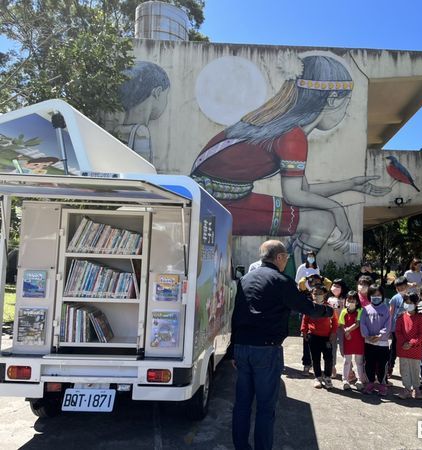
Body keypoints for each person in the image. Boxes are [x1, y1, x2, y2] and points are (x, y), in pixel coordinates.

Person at [191, 55, 391, 258]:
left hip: (222, 198)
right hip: (217, 205)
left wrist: (350, 184)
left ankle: (292, 265)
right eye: (346, 104)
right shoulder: (292, 136)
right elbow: (294, 195)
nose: (345, 112)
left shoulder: (283, 128)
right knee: (322, 221)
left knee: (319, 216)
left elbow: (304, 191)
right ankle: (299, 277)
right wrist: (336, 208)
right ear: (332, 99)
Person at [231, 240, 332, 450]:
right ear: (278, 257)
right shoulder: (281, 281)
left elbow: (236, 313)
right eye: (286, 257)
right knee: (266, 408)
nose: (286, 261)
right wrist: (328, 311)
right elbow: (306, 307)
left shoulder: (246, 279)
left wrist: (233, 349)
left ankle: (240, 446)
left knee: (242, 405)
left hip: (242, 348)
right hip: (266, 351)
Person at [115, 61, 170, 162]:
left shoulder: (116, 130)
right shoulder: (141, 133)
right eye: (166, 95)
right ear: (157, 93)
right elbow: (143, 170)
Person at [301, 284, 338, 389]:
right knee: (315, 358)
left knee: (328, 358)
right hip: (313, 337)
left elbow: (335, 321)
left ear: (325, 294)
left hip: (326, 338)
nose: (317, 296)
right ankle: (317, 377)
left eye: (320, 294)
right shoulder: (310, 307)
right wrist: (304, 332)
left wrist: (333, 332)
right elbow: (305, 320)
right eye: (315, 294)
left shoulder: (329, 308)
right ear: (311, 294)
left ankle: (327, 377)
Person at [360, 284, 392, 395]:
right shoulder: (365, 309)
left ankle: (382, 385)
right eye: (373, 295)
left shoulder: (386, 309)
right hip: (369, 343)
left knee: (382, 365)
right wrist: (367, 335)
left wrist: (380, 335)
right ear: (369, 296)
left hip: (382, 344)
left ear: (382, 296)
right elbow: (362, 323)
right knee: (369, 364)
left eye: (378, 295)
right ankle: (370, 383)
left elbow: (388, 325)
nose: (376, 297)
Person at [395, 293, 422, 400]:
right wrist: (404, 343)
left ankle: (417, 389)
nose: (408, 305)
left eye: (411, 303)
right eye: (406, 302)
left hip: (415, 350)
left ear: (416, 303)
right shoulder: (400, 317)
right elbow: (398, 332)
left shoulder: (420, 317)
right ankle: (407, 389)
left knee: (415, 370)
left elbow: (421, 334)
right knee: (404, 370)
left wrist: (411, 343)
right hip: (403, 349)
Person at [338, 291, 366, 390]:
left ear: (357, 301)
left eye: (353, 300)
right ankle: (345, 380)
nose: (350, 302)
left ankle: (359, 380)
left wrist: (347, 331)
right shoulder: (344, 311)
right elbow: (341, 324)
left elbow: (357, 323)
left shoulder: (360, 311)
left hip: (358, 340)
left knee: (359, 361)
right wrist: (346, 332)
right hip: (348, 340)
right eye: (349, 299)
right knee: (347, 361)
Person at [327, 278, 348, 378]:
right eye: (334, 285)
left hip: (342, 327)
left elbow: (346, 313)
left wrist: (342, 324)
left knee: (344, 348)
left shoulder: (345, 299)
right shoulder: (329, 299)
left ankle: (349, 369)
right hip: (331, 327)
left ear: (342, 288)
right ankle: (332, 368)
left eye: (338, 286)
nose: (335, 288)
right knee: (332, 347)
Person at [388, 276, 409, 376]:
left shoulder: (411, 297)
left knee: (407, 348)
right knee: (394, 349)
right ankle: (389, 366)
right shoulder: (394, 298)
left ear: (407, 286)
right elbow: (390, 313)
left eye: (403, 287)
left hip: (408, 329)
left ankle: (406, 370)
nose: (401, 290)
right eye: (398, 288)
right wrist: (389, 328)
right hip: (396, 328)